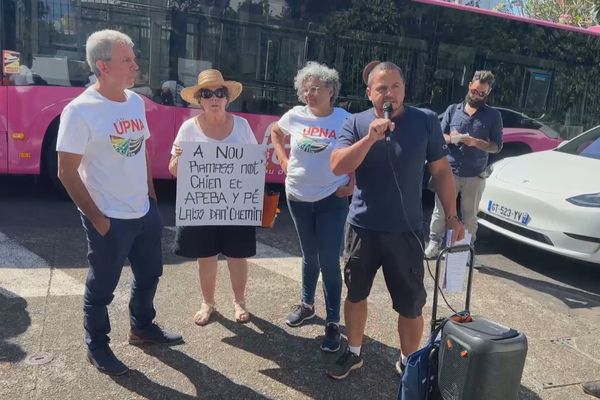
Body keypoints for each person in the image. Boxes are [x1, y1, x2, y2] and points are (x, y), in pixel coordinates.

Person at [326, 61, 465, 379]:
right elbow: (337, 165)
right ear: (369, 92)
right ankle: (355, 353)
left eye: (395, 87)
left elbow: (441, 171)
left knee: (410, 303)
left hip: (406, 232)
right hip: (362, 227)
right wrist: (370, 139)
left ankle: (408, 361)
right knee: (356, 293)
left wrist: (453, 217)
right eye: (382, 88)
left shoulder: (426, 120)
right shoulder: (356, 122)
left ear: (404, 89)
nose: (390, 93)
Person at [56, 30, 182, 377]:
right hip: (108, 217)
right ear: (103, 65)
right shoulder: (79, 111)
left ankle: (142, 328)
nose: (135, 66)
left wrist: (152, 198)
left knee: (150, 274)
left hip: (143, 211)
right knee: (102, 288)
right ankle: (97, 346)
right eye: (127, 60)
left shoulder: (134, 101)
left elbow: (142, 149)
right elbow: (66, 172)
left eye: (133, 59)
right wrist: (97, 219)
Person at [271, 62, 353, 353]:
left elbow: (358, 151)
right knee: (308, 255)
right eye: (305, 89)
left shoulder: (345, 119)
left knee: (329, 260)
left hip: (332, 197)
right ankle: (307, 304)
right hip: (297, 197)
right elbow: (275, 133)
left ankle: (332, 322)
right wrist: (282, 160)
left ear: (331, 91)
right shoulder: (295, 115)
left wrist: (352, 180)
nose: (309, 94)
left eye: (315, 89)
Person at [169, 69, 257, 327]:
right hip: (201, 204)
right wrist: (178, 160)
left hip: (235, 204)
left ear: (227, 98)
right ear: (200, 100)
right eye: (207, 94)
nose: (214, 98)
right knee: (205, 256)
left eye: (220, 93)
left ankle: (239, 301)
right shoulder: (188, 128)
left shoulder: (242, 126)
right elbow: (173, 169)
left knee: (237, 256)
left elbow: (254, 164)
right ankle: (208, 303)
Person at [424, 70, 503, 259]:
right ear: (469, 86)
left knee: (469, 216)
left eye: (482, 93)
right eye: (475, 91)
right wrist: (453, 138)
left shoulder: (493, 116)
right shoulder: (453, 110)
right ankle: (435, 244)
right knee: (440, 211)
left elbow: (496, 146)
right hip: (449, 171)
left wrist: (474, 142)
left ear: (488, 92)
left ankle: (464, 252)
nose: (477, 95)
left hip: (475, 173)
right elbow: (439, 136)